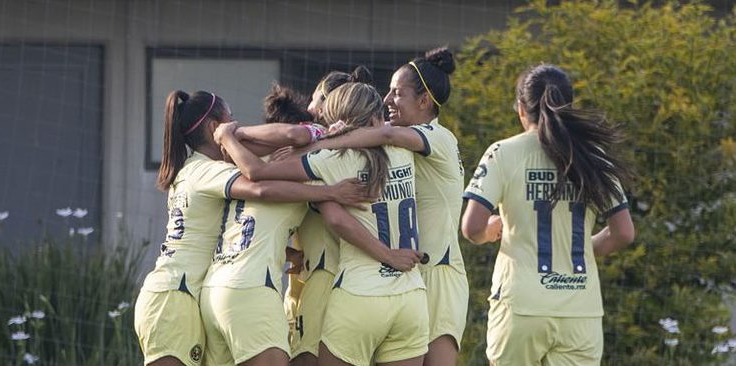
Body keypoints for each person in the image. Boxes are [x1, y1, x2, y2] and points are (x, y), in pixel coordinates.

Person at [134, 90, 367, 366]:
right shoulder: (212, 171)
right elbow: (259, 186)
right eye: (231, 120)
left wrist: (288, 253)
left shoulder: (199, 169)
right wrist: (331, 190)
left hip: (205, 292)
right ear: (213, 128)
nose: (240, 129)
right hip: (195, 294)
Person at [227, 82, 427, 366]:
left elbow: (257, 172)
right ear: (375, 119)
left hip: (360, 293)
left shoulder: (328, 160)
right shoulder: (405, 152)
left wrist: (230, 135)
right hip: (411, 295)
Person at [299, 47, 468, 366]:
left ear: (423, 101)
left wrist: (321, 143)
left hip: (439, 272)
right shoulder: (400, 147)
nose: (387, 100)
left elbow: (386, 133)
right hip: (405, 276)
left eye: (396, 92)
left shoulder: (435, 137)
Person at [461, 64, 635, 366]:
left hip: (521, 305)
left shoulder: (502, 152)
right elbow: (623, 233)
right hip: (580, 309)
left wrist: (489, 230)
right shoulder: (593, 156)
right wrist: (577, 249)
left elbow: (471, 227)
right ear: (569, 106)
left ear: (520, 108)